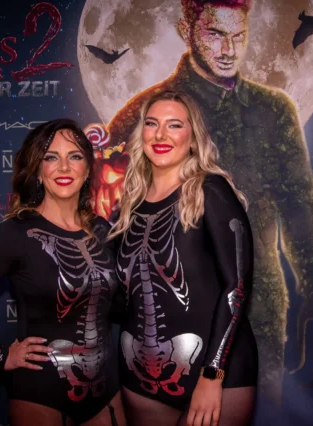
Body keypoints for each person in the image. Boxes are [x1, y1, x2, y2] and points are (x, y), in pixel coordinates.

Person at [94, 0, 313, 403]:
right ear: (187, 31)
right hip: (158, 324)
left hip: (256, 311)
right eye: (215, 35)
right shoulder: (144, 112)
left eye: (239, 36)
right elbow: (104, 207)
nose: (228, 49)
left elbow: (300, 203)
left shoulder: (273, 109)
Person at [0, 119, 126, 426]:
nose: (64, 167)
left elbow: (120, 303)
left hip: (106, 392)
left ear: (87, 169)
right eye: (51, 157)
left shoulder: (101, 230)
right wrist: (0, 355)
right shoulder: (16, 233)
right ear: (38, 170)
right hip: (40, 393)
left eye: (75, 156)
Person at [108, 90, 257, 426]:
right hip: (139, 377)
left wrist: (212, 375)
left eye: (174, 125)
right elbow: (116, 295)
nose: (160, 135)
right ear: (141, 134)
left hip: (218, 374)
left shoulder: (210, 190)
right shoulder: (128, 207)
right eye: (152, 124)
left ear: (193, 137)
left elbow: (237, 287)